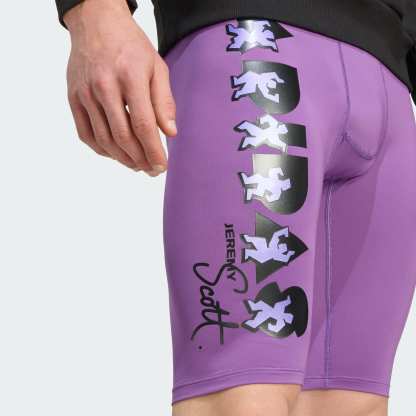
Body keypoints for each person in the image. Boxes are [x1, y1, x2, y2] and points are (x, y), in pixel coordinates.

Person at [55, 0, 416, 415]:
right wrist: (95, 13)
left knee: (354, 403)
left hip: (393, 80)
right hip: (253, 43)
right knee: (239, 398)